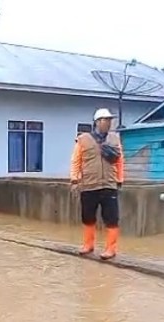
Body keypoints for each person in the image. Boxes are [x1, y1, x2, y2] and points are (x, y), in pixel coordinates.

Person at [70, 108, 124, 260]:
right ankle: (88, 245)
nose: (108, 123)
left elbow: (120, 161)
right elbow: (76, 161)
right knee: (88, 217)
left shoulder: (114, 139)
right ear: (98, 122)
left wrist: (119, 179)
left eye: (110, 120)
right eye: (106, 120)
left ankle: (111, 249)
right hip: (89, 184)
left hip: (109, 184)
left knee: (112, 218)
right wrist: (74, 179)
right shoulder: (83, 139)